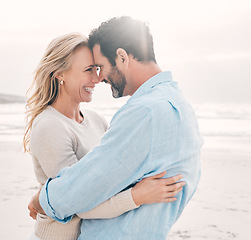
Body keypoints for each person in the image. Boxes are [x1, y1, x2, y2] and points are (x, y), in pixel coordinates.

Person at [29, 16, 203, 239]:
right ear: (60, 73)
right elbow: (92, 189)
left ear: (122, 57)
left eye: (99, 67)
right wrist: (136, 196)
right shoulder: (179, 105)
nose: (98, 78)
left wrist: (41, 199)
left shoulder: (143, 113)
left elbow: (79, 191)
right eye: (89, 69)